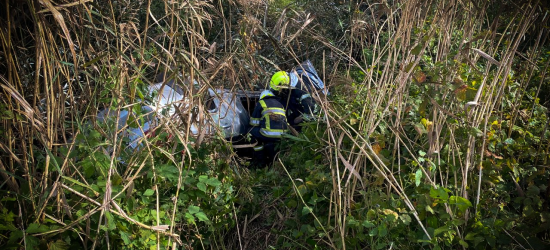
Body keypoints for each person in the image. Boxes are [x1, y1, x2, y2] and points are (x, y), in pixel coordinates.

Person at [248, 90, 289, 165]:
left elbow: (254, 122)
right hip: (283, 134)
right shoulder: (280, 104)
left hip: (267, 133)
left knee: (251, 131)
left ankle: (260, 159)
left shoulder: (261, 103)